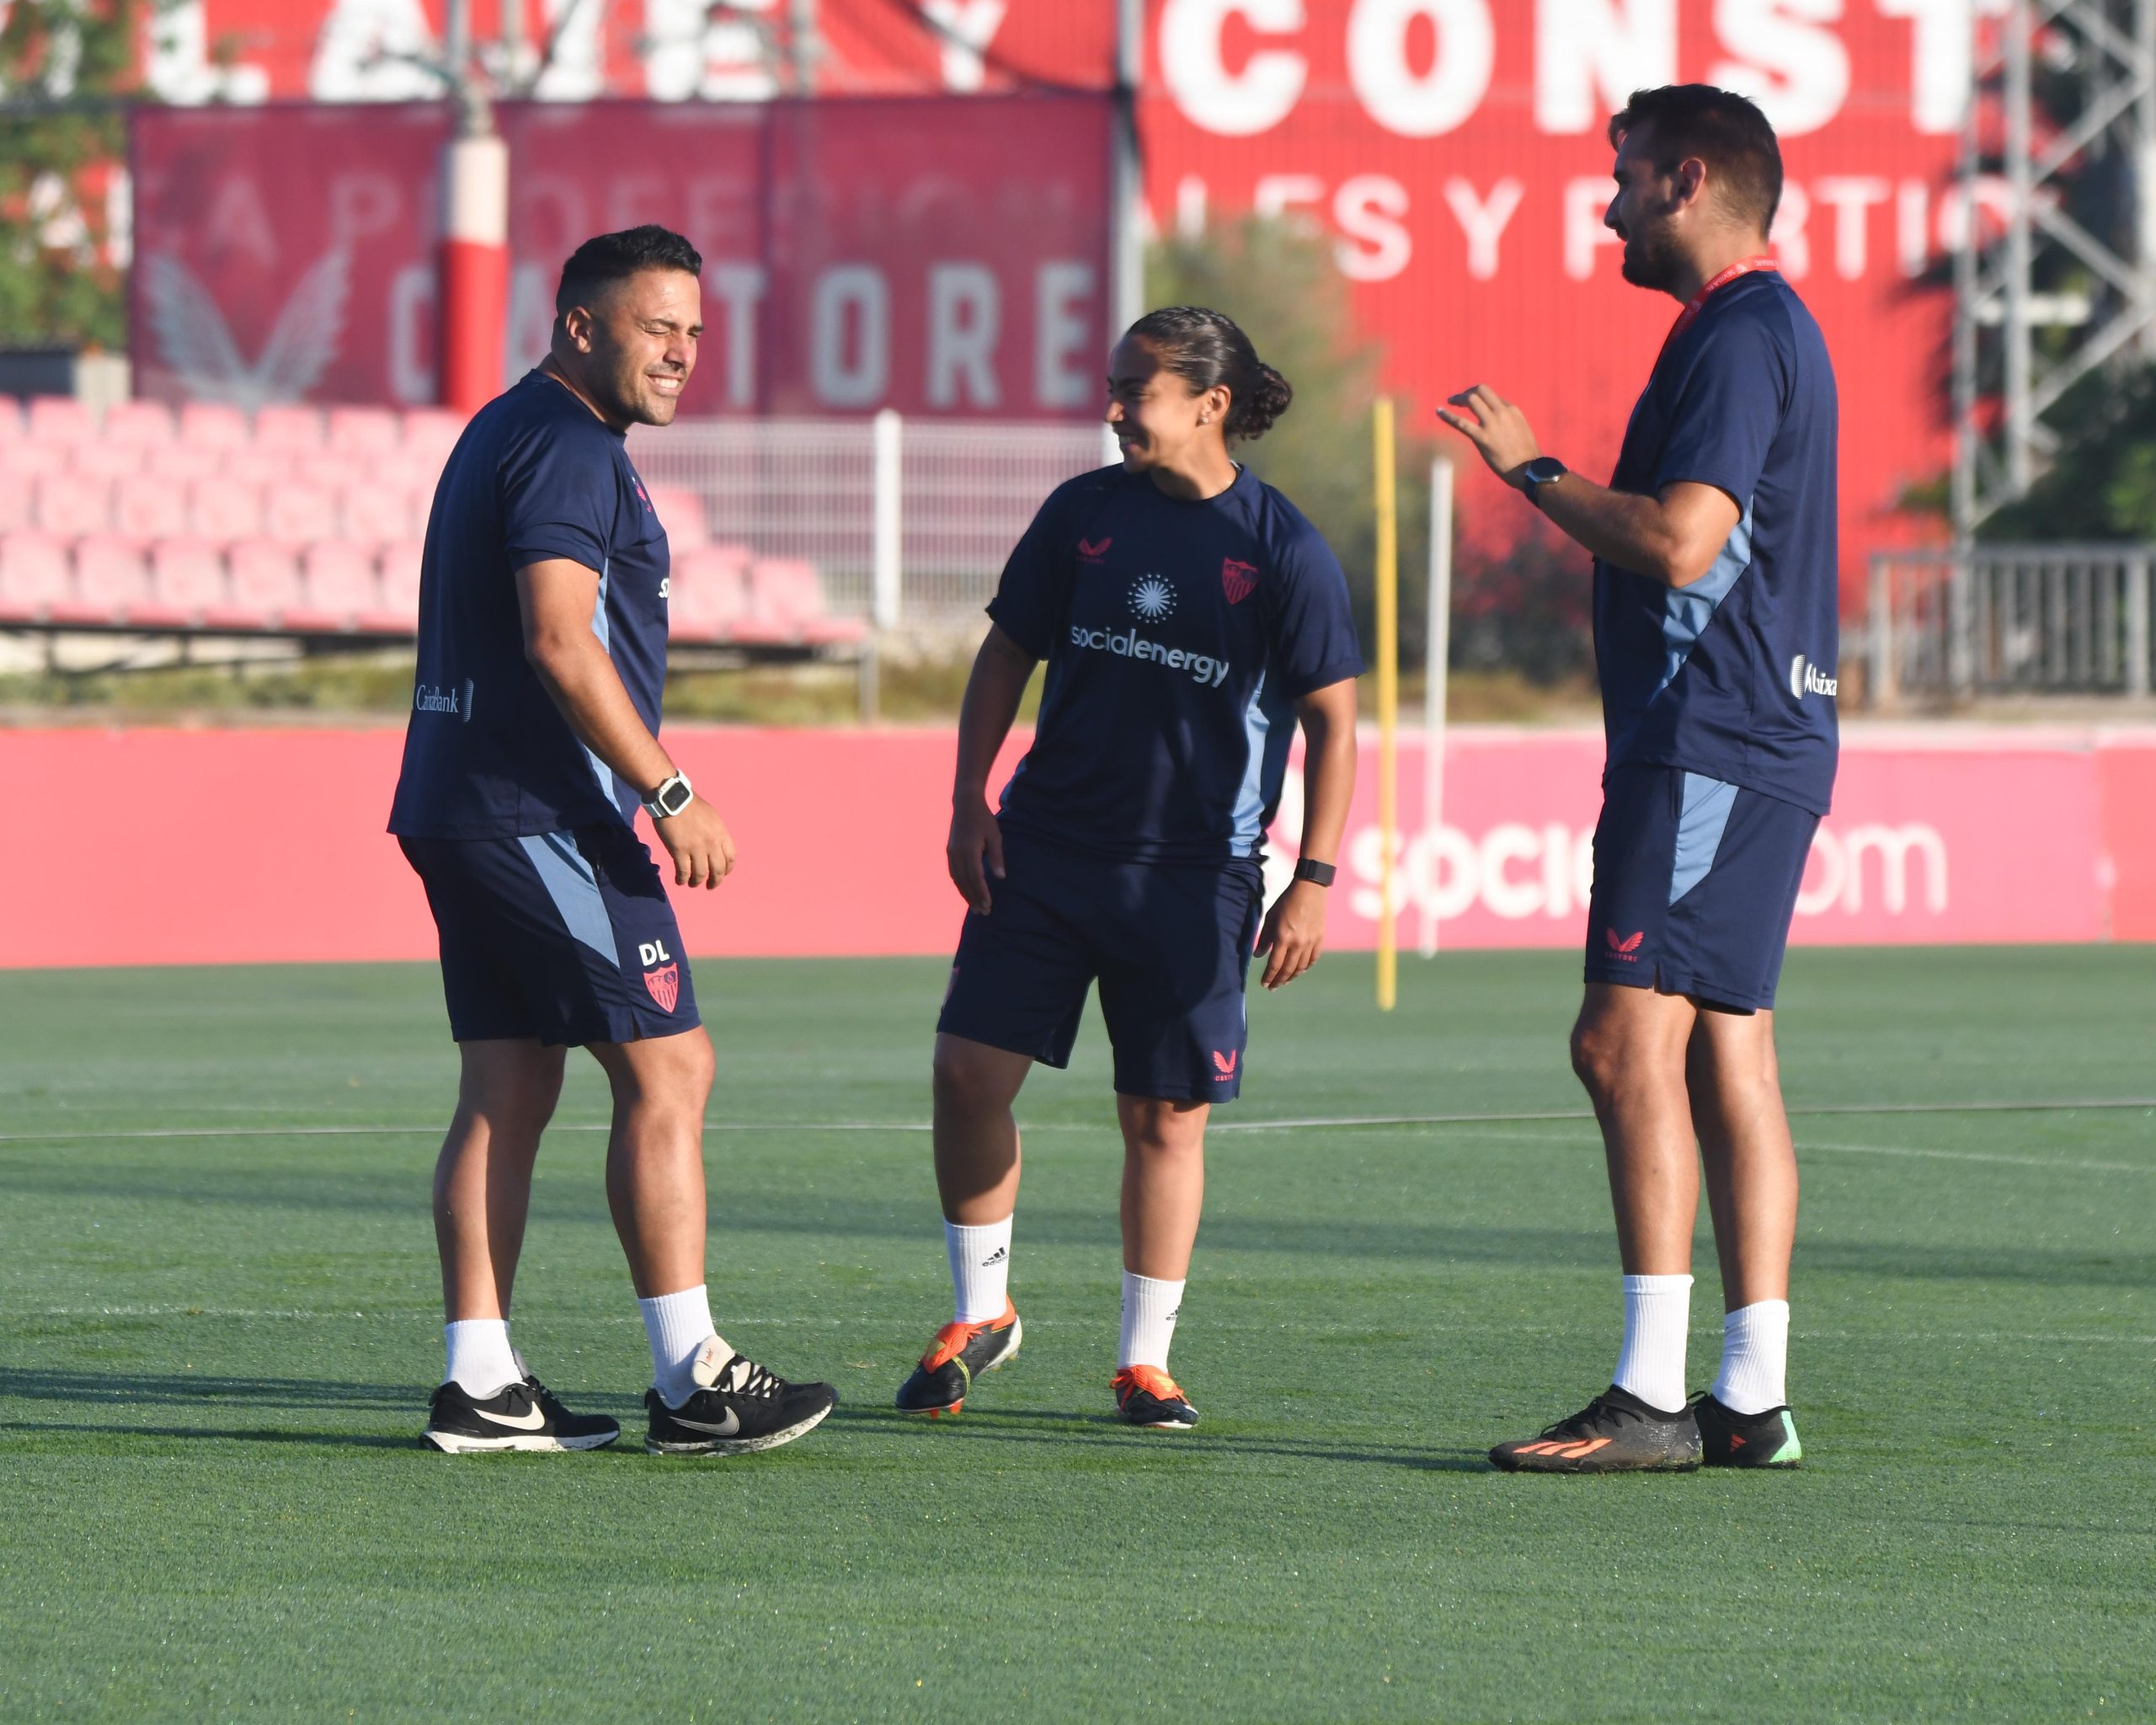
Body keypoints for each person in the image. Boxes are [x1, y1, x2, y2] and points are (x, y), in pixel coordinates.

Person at [387, 224, 836, 1457]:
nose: (683, 353)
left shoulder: (509, 426)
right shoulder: (572, 446)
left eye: (693, 331)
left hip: (461, 800)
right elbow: (557, 638)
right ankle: (693, 1378)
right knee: (670, 1068)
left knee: (511, 1081)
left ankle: (481, 1384)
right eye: (657, 327)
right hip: (542, 811)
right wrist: (672, 789)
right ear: (579, 325)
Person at [1441, 85, 1837, 1473]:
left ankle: (1653, 1398)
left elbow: (1677, 544)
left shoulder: (1738, 333)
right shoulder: (1759, 329)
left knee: (1620, 1042)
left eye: (1619, 178)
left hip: (1710, 740)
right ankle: (1749, 1397)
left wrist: (1529, 469)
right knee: (1730, 1047)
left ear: (1684, 180)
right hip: (1758, 735)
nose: (1606, 202)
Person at [895, 306, 1363, 1430]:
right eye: (1112, 387)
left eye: (1135, 392)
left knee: (1164, 1117)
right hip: (1046, 849)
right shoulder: (1082, 513)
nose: (1112, 410)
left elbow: (1336, 724)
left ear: (1209, 405)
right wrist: (970, 797)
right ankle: (983, 1313)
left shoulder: (1281, 547)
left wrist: (1316, 876)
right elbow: (1008, 648)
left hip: (1195, 878)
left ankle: (1145, 1362)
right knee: (967, 1073)